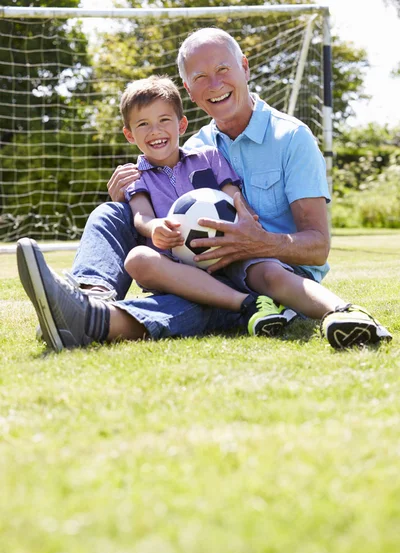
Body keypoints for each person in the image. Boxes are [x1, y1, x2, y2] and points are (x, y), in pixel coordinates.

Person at [16, 28, 392, 352]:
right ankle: (89, 295)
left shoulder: (292, 138)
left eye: (223, 70)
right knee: (112, 211)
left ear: (244, 68)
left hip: (272, 275)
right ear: (188, 90)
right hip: (201, 267)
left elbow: (317, 245)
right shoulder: (192, 147)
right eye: (200, 77)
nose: (214, 85)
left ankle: (91, 321)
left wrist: (257, 242)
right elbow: (153, 219)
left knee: (201, 304)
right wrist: (129, 199)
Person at [118, 74, 295, 335]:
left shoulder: (208, 157)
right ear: (129, 134)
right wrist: (156, 227)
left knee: (264, 268)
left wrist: (246, 219)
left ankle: (273, 301)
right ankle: (249, 304)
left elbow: (233, 195)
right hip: (177, 271)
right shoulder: (137, 175)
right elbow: (141, 216)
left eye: (164, 120)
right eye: (143, 124)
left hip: (225, 256)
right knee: (137, 259)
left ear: (181, 125)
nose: (155, 131)